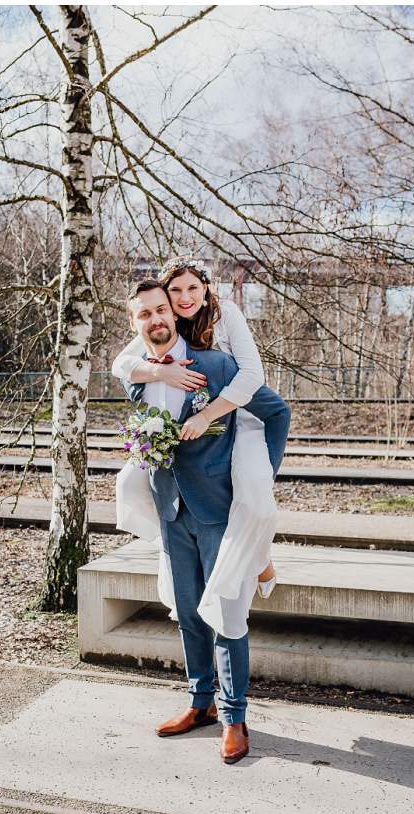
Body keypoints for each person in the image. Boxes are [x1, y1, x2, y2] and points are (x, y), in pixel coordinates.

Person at [122, 280, 290, 763]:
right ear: (135, 324)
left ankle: (234, 718)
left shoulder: (217, 366)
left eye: (161, 310)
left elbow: (277, 413)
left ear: (174, 314)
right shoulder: (137, 375)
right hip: (170, 509)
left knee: (228, 614)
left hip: (218, 510)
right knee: (189, 610)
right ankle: (200, 704)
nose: (155, 320)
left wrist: (260, 478)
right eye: (144, 315)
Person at [113, 256, 280, 641]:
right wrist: (160, 371)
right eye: (176, 291)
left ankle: (259, 559)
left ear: (206, 288)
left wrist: (209, 416)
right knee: (128, 487)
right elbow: (121, 364)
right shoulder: (163, 318)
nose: (185, 297)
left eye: (192, 288)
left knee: (254, 497)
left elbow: (255, 377)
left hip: (239, 413)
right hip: (191, 427)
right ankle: (177, 544)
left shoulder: (228, 314)